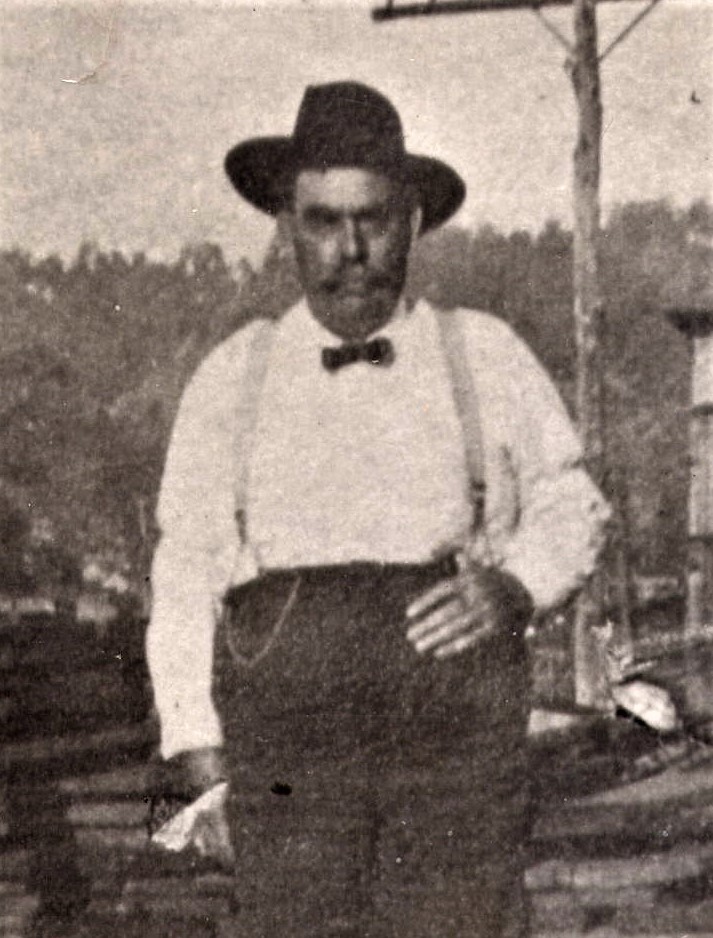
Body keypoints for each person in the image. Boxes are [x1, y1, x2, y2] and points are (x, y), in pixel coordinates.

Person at [146, 81, 610, 937]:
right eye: (323, 221)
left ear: (413, 220)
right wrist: (199, 757)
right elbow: (183, 574)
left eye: (373, 219)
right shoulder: (235, 376)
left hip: (453, 757)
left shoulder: (483, 354)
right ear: (286, 224)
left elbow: (571, 505)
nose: (350, 248)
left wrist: (513, 587)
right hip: (287, 764)